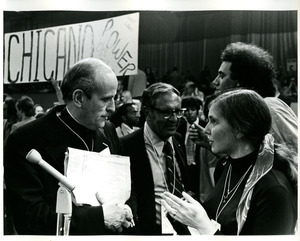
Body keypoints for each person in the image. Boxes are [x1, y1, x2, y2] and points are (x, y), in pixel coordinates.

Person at [4, 58, 135, 235]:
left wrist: (126, 209)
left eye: (114, 98)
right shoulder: (25, 140)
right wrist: (99, 217)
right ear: (79, 98)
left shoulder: (109, 131)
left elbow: (126, 186)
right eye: (106, 99)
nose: (113, 107)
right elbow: (30, 217)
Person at [162, 89, 297, 235]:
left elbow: (212, 227)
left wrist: (203, 226)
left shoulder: (274, 189)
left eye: (214, 121)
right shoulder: (225, 165)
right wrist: (186, 218)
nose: (206, 130)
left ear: (240, 129)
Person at [121, 82, 192, 235]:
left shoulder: (177, 140)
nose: (174, 119)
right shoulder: (127, 146)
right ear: (148, 112)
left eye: (178, 111)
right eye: (166, 112)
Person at [210, 42, 297, 152]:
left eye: (221, 75)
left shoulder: (269, 106)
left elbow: (295, 148)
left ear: (239, 81)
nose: (215, 82)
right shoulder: (244, 115)